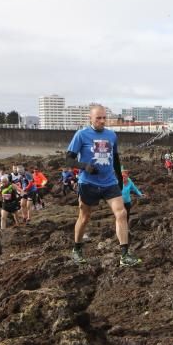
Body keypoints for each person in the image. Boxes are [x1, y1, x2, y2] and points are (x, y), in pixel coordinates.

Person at [66, 105, 140, 266]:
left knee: (121, 214)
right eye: (98, 118)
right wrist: (85, 166)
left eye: (104, 118)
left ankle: (125, 254)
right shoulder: (81, 135)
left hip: (109, 182)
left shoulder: (111, 135)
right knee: (84, 217)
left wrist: (119, 179)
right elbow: (68, 159)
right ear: (90, 118)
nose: (102, 121)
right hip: (88, 182)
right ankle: (77, 249)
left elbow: (116, 158)